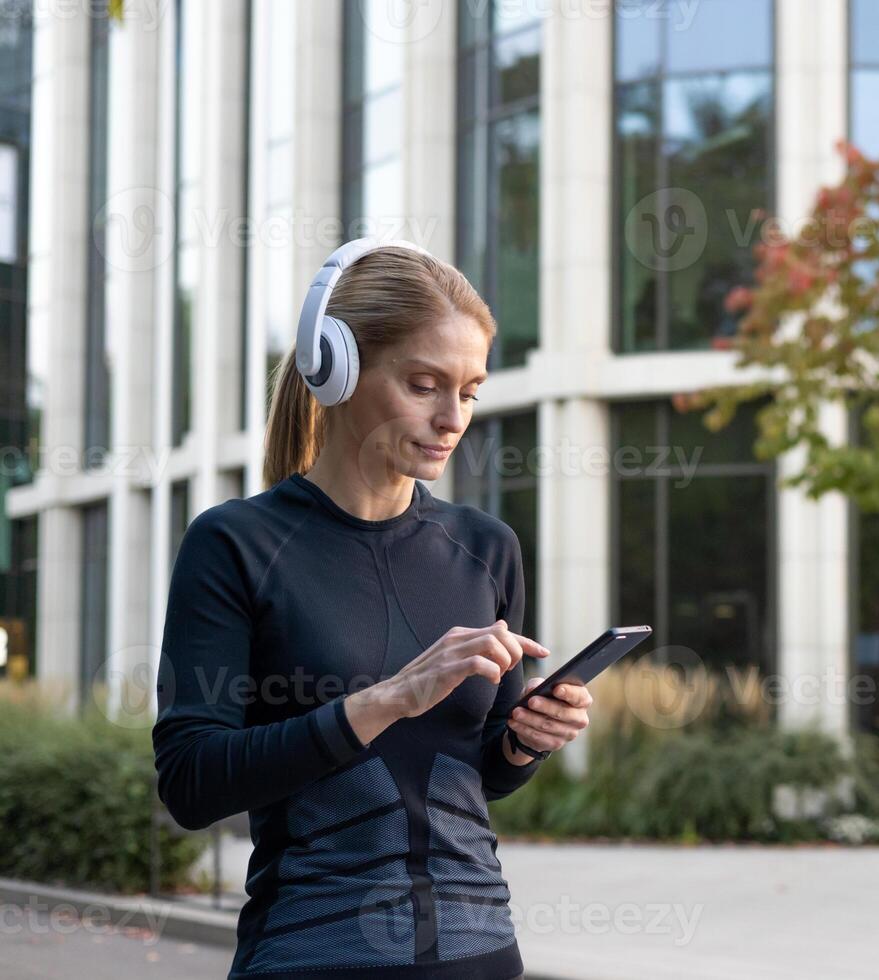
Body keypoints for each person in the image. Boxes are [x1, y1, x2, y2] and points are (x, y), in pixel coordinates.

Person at [152, 240, 590, 979]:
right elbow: (191, 783)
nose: (453, 417)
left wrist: (523, 743)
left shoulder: (487, 547)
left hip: (482, 954)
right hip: (313, 952)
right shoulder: (236, 543)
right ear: (338, 370)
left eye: (471, 390)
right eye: (424, 384)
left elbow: (477, 773)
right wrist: (386, 700)